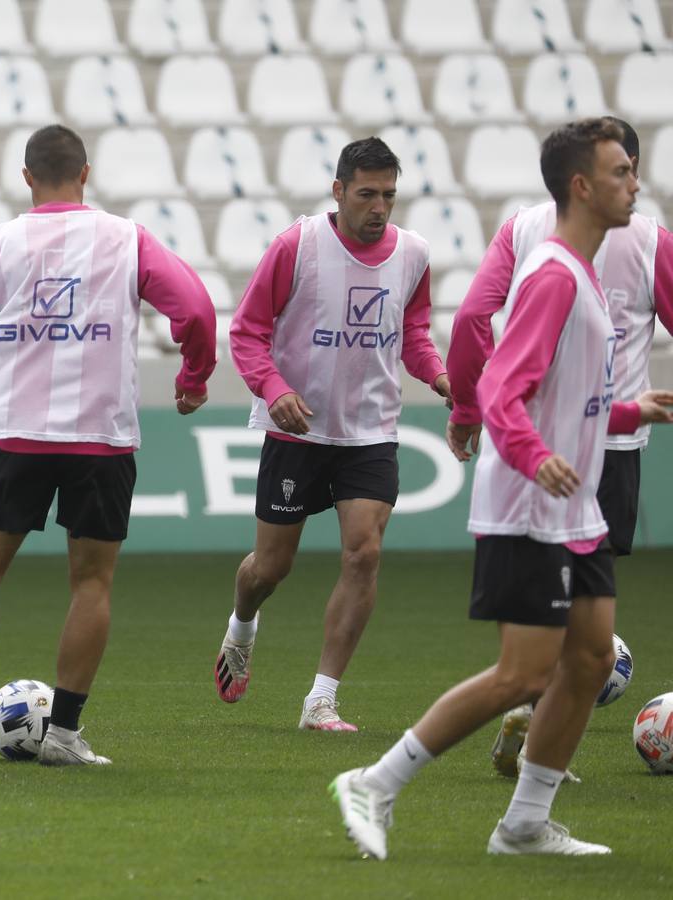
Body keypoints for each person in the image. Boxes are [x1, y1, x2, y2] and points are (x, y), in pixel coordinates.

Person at [331, 118, 673, 860]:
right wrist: (535, 454)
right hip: (529, 503)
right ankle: (375, 781)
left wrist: (627, 410)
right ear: (581, 186)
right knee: (525, 672)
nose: (634, 184)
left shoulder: (580, 272)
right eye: (620, 172)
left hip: (572, 507)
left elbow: (567, 391)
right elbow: (500, 391)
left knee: (587, 661)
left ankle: (524, 824)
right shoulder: (552, 274)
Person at [0, 124, 217, 765]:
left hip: (20, 433)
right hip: (100, 436)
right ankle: (62, 733)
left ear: (27, 177)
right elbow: (197, 310)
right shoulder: (125, 237)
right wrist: (193, 376)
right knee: (91, 582)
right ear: (85, 174)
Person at [445, 119, 673, 777]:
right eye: (624, 171)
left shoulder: (522, 230)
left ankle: (536, 741)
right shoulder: (650, 241)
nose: (632, 183)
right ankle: (528, 720)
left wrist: (465, 407)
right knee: (571, 636)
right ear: (596, 176)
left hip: (544, 443)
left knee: (575, 628)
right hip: (605, 447)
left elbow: (469, 321)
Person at [220, 137, 450, 731]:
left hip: (371, 431)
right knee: (269, 569)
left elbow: (414, 334)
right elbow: (245, 332)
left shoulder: (415, 255)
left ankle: (320, 698)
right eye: (368, 194)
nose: (379, 207)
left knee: (364, 553)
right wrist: (275, 391)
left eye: (390, 196)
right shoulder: (298, 245)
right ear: (339, 191)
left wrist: (441, 376)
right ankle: (242, 626)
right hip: (297, 432)